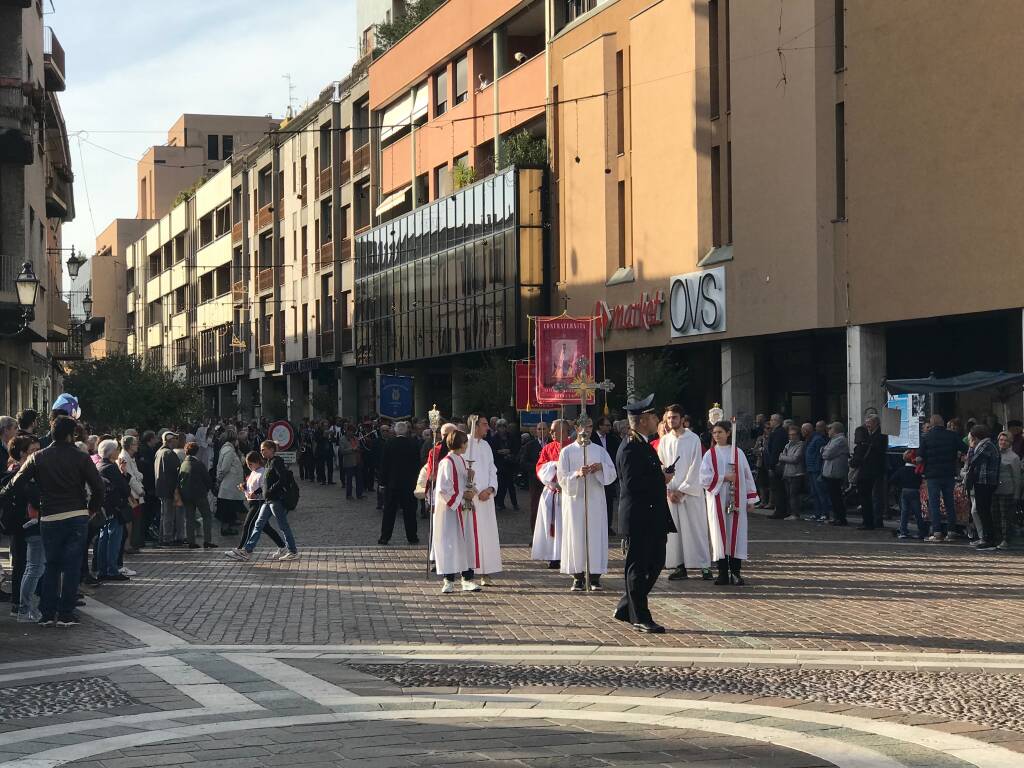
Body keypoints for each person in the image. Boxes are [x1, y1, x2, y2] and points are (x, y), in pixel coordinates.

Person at [0, 415, 104, 627]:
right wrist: (91, 509)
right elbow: (99, 487)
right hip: (76, 515)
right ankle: (66, 613)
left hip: (49, 516)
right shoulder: (80, 457)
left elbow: (15, 485)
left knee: (52, 565)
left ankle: (47, 613)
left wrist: (35, 499)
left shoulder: (38, 457)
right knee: (72, 566)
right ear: (70, 434)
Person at [613, 394, 676, 634]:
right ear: (642, 421)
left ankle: (626, 606)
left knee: (656, 561)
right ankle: (639, 616)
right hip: (641, 516)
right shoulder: (630, 447)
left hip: (652, 515)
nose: (657, 420)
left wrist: (660, 475)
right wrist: (661, 478)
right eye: (653, 417)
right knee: (639, 568)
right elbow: (632, 484)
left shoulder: (642, 444)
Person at [558, 418, 616, 591]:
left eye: (590, 426)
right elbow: (561, 478)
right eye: (583, 426)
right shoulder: (567, 452)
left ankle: (595, 575)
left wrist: (601, 468)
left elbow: (612, 472)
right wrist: (576, 473)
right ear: (576, 427)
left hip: (595, 498)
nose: (587, 430)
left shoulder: (599, 450)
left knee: (595, 534)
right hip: (575, 500)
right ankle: (577, 575)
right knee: (576, 534)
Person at [701, 417, 758, 586]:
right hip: (717, 498)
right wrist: (724, 477)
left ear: (728, 433)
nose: (716, 435)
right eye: (714, 432)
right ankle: (722, 573)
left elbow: (747, 476)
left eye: (720, 432)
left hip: (736, 499)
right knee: (719, 535)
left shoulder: (738, 453)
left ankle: (736, 572)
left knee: (736, 534)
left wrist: (751, 499)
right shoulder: (709, 454)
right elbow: (703, 478)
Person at [657, 404, 710, 581]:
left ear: (682, 419)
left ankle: (704, 566)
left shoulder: (693, 438)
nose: (672, 420)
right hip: (671, 493)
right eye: (669, 418)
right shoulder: (664, 441)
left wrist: (683, 490)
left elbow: (696, 466)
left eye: (675, 417)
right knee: (675, 533)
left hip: (689, 493)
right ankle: (679, 566)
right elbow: (661, 466)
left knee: (696, 529)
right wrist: (668, 489)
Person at [432, 430, 480, 593]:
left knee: (466, 543)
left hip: (463, 508)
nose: (467, 445)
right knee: (450, 544)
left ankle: (467, 578)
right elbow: (444, 488)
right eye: (465, 442)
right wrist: (461, 497)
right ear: (460, 443)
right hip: (451, 511)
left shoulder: (461, 460)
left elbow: (464, 482)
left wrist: (472, 484)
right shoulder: (447, 462)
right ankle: (449, 580)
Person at [237, 441, 299, 561]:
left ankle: (293, 551)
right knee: (258, 524)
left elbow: (282, 479)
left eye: (263, 449)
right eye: (261, 450)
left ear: (271, 449)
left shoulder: (277, 461)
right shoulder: (268, 463)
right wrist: (260, 492)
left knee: (283, 526)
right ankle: (248, 550)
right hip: (268, 500)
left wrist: (270, 490)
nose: (261, 452)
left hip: (275, 500)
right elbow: (266, 482)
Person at [3, 434, 42, 621]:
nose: (38, 454)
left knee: (29, 565)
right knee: (24, 565)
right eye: (33, 451)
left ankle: (24, 604)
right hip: (23, 522)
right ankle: (21, 606)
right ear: (21, 453)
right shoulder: (18, 473)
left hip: (26, 522)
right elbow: (30, 497)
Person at [225, 451, 288, 560]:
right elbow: (251, 484)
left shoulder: (263, 471)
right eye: (248, 465)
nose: (249, 467)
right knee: (265, 527)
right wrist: (244, 487)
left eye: (251, 464)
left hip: (259, 503)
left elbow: (264, 486)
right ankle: (282, 546)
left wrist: (256, 493)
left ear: (257, 462)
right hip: (252, 502)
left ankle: (241, 549)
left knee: (248, 525)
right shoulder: (254, 472)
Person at [918, 414, 966, 542]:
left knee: (934, 504)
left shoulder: (926, 437)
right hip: (948, 474)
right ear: (943, 423)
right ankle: (951, 531)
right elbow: (964, 448)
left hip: (932, 475)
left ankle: (937, 532)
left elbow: (919, 457)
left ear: (932, 424)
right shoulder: (952, 436)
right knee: (949, 503)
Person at [531, 419, 571, 569]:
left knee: (565, 525)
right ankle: (553, 556)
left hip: (568, 493)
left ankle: (566, 554)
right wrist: (554, 467)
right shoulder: (548, 448)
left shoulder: (574, 447)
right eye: (552, 431)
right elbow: (540, 468)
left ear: (565, 431)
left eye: (555, 431)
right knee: (551, 526)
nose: (551, 433)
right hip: (551, 492)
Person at [467, 415, 502, 584]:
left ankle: (485, 571)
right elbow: (463, 471)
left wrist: (490, 489)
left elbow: (492, 469)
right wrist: (476, 491)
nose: (487, 427)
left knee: (487, 535)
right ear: (474, 426)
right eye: (484, 424)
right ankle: (469, 571)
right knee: (473, 534)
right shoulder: (464, 444)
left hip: (487, 498)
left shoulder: (487, 445)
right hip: (472, 498)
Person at [378, 421, 421, 545]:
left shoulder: (389, 444)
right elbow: (417, 464)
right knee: (410, 512)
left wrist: (382, 482)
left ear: (395, 431)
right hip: (409, 484)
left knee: (389, 511)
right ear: (406, 430)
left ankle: (385, 537)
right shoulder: (413, 444)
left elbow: (384, 465)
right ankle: (412, 536)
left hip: (392, 483)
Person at [96, 439, 131, 581]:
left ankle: (103, 569)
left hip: (105, 507)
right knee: (113, 539)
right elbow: (124, 489)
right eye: (116, 449)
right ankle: (112, 569)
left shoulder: (99, 465)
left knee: (104, 537)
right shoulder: (111, 467)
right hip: (115, 507)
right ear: (111, 453)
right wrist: (124, 474)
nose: (118, 452)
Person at [965, 425, 1000, 551]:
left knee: (983, 510)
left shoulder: (986, 445)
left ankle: (989, 538)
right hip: (982, 481)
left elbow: (973, 461)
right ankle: (985, 537)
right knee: (981, 510)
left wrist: (970, 446)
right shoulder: (986, 445)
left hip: (985, 482)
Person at [179, 441, 215, 549]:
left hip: (186, 495)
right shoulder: (199, 464)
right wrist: (208, 488)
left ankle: (191, 541)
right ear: (197, 451)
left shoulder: (183, 464)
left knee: (189, 518)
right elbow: (207, 479)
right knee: (206, 516)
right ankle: (207, 541)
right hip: (199, 494)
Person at [592, 416, 622, 534]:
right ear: (600, 426)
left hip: (608, 474)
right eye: (607, 425)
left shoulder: (613, 439)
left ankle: (608, 526)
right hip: (595, 474)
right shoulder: (592, 438)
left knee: (609, 501)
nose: (609, 428)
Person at [992, 430, 1020, 550]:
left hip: (1007, 490)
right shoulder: (995, 453)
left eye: (1005, 440)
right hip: (994, 489)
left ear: (1010, 442)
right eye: (1001, 440)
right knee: (995, 515)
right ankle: (997, 538)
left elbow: (1017, 477)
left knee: (1005, 517)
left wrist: (1017, 494)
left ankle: (1006, 539)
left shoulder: (1014, 457)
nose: (1002, 442)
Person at [215, 431, 246, 537]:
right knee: (227, 508)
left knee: (230, 507)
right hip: (228, 485)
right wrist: (219, 479)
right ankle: (225, 528)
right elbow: (225, 468)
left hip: (231, 485)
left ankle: (229, 525)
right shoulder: (228, 451)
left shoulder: (230, 450)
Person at [154, 431, 182, 546]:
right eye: (175, 439)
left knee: (164, 515)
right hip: (169, 489)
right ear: (170, 441)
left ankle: (162, 537)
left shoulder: (159, 452)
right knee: (168, 516)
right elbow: (177, 472)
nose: (177, 441)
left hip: (161, 488)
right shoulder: (169, 454)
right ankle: (167, 539)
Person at [892, 450, 926, 539]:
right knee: (918, 512)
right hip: (915, 491)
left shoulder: (901, 470)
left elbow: (893, 479)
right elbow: (920, 481)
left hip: (904, 490)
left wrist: (900, 485)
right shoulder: (917, 471)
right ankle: (921, 531)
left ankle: (903, 531)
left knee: (904, 512)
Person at [821, 422, 850, 525]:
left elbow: (827, 453)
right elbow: (825, 451)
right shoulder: (833, 440)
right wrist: (824, 451)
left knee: (836, 496)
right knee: (833, 496)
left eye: (830, 429)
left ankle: (840, 518)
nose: (828, 431)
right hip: (830, 471)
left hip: (835, 472)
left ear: (835, 430)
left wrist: (824, 451)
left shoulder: (840, 440)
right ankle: (836, 516)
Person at [519, 422, 547, 529]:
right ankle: (535, 536)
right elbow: (522, 462)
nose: (542, 431)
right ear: (536, 431)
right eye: (539, 429)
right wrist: (537, 467)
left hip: (549, 482)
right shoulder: (530, 445)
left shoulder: (552, 444)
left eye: (544, 429)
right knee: (535, 508)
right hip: (535, 481)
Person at [778, 424, 806, 521]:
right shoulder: (787, 445)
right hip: (787, 472)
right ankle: (791, 512)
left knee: (794, 494)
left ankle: (795, 513)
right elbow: (781, 456)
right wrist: (784, 458)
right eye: (790, 435)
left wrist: (784, 458)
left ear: (798, 435)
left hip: (796, 473)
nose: (791, 437)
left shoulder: (801, 445)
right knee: (789, 494)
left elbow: (795, 458)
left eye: (793, 435)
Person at [491, 420, 519, 512]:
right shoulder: (494, 438)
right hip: (499, 464)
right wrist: (499, 452)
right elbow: (492, 451)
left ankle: (514, 503)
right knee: (500, 485)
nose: (502, 429)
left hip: (509, 464)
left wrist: (509, 451)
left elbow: (516, 448)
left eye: (504, 426)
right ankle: (499, 503)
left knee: (511, 485)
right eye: (500, 426)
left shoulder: (511, 437)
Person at [764, 414, 788, 519]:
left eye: (772, 420)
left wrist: (771, 466)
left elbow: (775, 450)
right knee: (777, 488)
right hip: (776, 463)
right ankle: (780, 509)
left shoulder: (779, 433)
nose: (770, 422)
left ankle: (780, 510)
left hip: (777, 465)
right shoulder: (777, 432)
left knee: (778, 488)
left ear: (776, 421)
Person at [805, 421, 830, 522]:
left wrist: (820, 469)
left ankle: (824, 513)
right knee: (814, 493)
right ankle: (817, 513)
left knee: (821, 492)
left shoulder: (818, 439)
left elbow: (820, 456)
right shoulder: (810, 439)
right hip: (811, 469)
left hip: (816, 469)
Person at [339, 424, 363, 499]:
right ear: (347, 431)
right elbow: (342, 451)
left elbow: (358, 447)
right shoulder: (342, 439)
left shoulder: (356, 438)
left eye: (353, 431)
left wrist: (359, 449)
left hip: (357, 461)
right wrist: (352, 449)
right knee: (349, 480)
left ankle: (359, 494)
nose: (352, 433)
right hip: (349, 462)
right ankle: (349, 495)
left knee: (359, 479)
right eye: (351, 431)